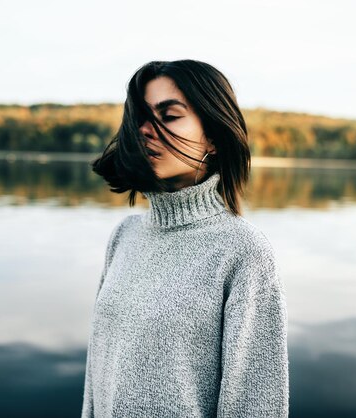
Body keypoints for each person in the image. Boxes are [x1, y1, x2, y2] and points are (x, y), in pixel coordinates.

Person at [82, 59, 289, 417]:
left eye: (170, 115)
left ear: (213, 135)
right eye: (142, 118)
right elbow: (96, 376)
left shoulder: (243, 252)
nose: (146, 130)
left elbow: (256, 406)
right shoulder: (124, 236)